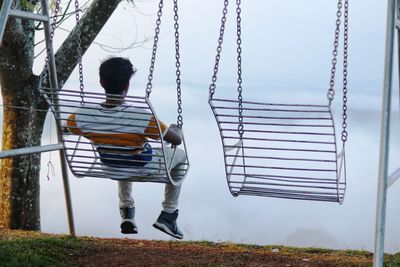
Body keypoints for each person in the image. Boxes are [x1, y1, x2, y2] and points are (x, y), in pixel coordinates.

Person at [66, 56, 187, 239]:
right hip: (144, 168)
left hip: (111, 166)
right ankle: (168, 214)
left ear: (101, 82)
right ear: (127, 86)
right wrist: (175, 128)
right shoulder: (140, 117)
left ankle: (127, 212)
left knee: (121, 153)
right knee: (180, 156)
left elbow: (69, 128)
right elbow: (176, 140)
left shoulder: (83, 116)